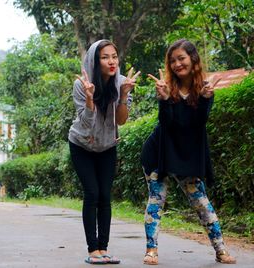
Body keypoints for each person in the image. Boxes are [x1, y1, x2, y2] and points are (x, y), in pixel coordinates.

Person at [141, 39, 236, 265]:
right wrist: (164, 100)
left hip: (186, 155)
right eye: (172, 60)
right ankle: (151, 251)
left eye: (181, 58)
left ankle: (221, 250)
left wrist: (204, 98)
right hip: (159, 153)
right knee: (156, 201)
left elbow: (198, 123)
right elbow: (167, 124)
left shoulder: (204, 88)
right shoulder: (167, 88)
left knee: (201, 202)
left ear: (193, 59)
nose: (177, 64)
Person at [68, 39, 140, 265]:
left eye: (114, 56)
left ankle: (104, 249)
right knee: (92, 193)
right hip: (81, 144)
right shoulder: (82, 84)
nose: (112, 61)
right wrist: (90, 99)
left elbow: (121, 120)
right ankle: (93, 250)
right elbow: (86, 124)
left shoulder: (120, 83)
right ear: (94, 60)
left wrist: (124, 95)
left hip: (108, 145)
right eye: (105, 57)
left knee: (105, 196)